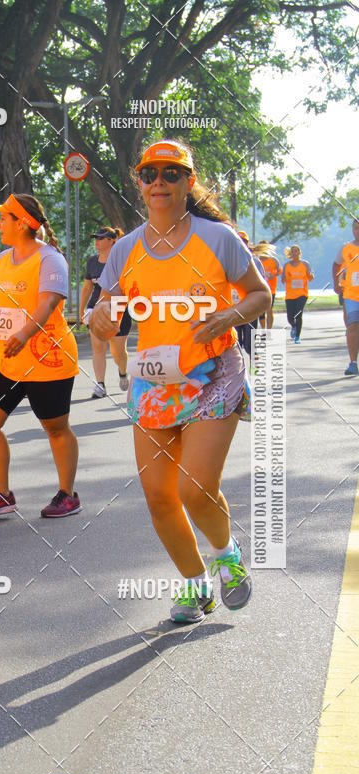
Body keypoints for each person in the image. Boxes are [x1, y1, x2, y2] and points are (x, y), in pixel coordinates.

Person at [90, 140, 270, 623]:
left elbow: (260, 294)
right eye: (149, 174)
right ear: (139, 181)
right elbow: (105, 309)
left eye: (171, 174)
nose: (159, 184)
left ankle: (228, 555)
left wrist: (229, 313)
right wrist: (103, 317)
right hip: (154, 383)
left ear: (188, 182)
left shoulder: (217, 239)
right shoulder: (125, 249)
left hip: (214, 376)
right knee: (158, 496)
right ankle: (196, 586)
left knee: (195, 487)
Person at [0, 193, 81, 519]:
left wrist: (23, 334)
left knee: (55, 428)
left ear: (22, 223)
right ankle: (2, 494)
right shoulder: (1, 260)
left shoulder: (50, 259)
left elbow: (48, 304)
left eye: (3, 218)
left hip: (46, 357)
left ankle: (68, 494)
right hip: (7, 357)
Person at [79, 226, 130, 398]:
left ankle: (122, 372)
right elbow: (87, 287)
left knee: (118, 352)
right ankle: (100, 384)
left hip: (118, 308)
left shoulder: (121, 260)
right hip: (96, 308)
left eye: (101, 238)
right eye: (96, 238)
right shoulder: (92, 261)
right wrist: (82, 310)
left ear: (111, 241)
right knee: (98, 348)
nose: (97, 242)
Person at [231, 230, 265, 362]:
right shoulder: (227, 260)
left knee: (250, 336)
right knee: (237, 338)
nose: (241, 245)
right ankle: (239, 365)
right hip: (233, 306)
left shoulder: (255, 261)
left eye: (244, 242)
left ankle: (253, 356)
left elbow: (262, 284)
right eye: (239, 241)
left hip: (250, 304)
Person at [332, 219, 359, 376]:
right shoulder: (346, 248)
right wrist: (336, 283)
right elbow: (336, 264)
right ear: (352, 230)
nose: (358, 231)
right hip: (351, 295)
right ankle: (353, 363)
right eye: (356, 228)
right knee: (353, 325)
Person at [282, 244, 313, 344]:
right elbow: (282, 279)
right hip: (290, 295)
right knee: (290, 317)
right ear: (291, 253)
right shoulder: (286, 265)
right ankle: (294, 326)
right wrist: (285, 278)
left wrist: (309, 274)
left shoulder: (305, 264)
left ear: (299, 253)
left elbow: (311, 278)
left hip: (302, 294)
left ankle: (297, 336)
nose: (294, 253)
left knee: (299, 315)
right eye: (293, 251)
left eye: (296, 251)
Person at [255, 240, 282, 329]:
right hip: (259, 289)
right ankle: (263, 329)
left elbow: (280, 271)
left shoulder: (273, 260)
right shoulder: (256, 260)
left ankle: (269, 330)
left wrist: (274, 274)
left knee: (269, 309)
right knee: (261, 311)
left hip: (271, 289)